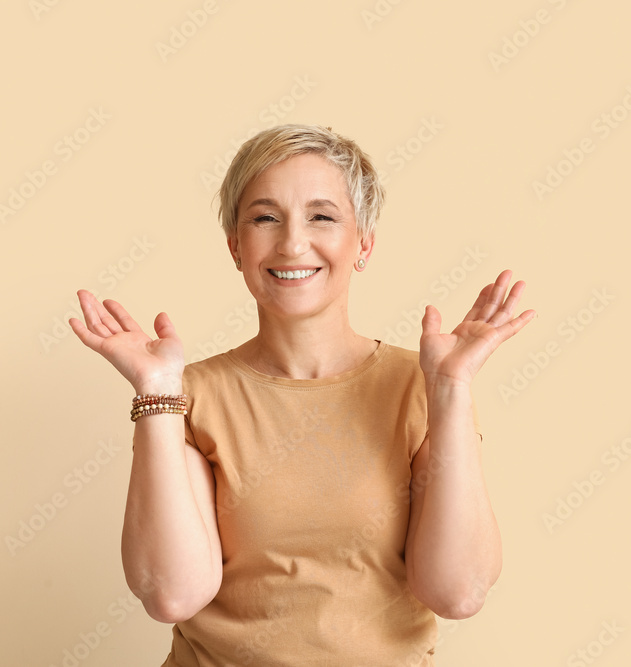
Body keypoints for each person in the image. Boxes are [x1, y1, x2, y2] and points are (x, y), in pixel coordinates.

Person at [68, 124, 536, 666]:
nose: (292, 243)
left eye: (322, 216)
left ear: (364, 243)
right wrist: (156, 391)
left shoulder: (423, 386)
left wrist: (451, 391)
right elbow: (172, 593)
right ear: (235, 246)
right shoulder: (187, 396)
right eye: (265, 217)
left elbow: (458, 592)